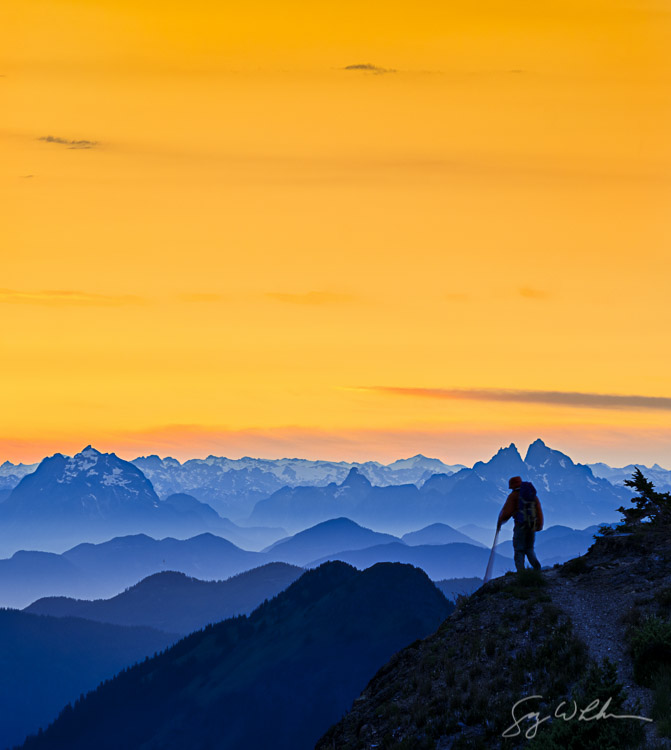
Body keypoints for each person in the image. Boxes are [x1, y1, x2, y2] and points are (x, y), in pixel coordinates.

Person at [497, 475, 544, 573]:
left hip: (520, 526)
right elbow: (538, 510)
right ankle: (537, 569)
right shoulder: (532, 495)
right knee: (529, 549)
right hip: (532, 526)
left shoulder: (513, 496)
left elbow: (507, 512)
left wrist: (500, 522)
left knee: (519, 550)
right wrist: (539, 524)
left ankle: (521, 573)